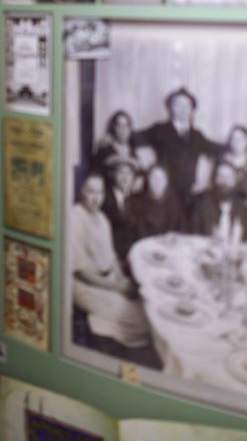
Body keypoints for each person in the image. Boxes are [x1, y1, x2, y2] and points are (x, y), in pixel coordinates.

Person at [68, 172, 151, 359]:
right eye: (91, 192)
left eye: (100, 193)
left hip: (109, 279)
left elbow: (112, 259)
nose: (96, 198)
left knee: (145, 306)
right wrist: (117, 287)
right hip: (85, 285)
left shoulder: (103, 219)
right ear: (82, 192)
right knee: (137, 319)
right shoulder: (74, 217)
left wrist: (122, 280)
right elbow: (80, 272)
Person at [133, 87, 221, 211]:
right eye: (178, 104)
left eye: (187, 105)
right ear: (170, 108)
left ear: (192, 110)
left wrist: (237, 143)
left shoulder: (197, 136)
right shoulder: (160, 130)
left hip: (189, 195)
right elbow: (132, 139)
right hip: (165, 194)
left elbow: (217, 149)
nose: (183, 109)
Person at [115, 164, 185, 262]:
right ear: (148, 180)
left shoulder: (174, 203)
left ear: (166, 181)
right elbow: (130, 233)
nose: (157, 182)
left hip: (166, 252)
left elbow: (180, 229)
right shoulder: (137, 201)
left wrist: (172, 237)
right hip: (143, 252)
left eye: (161, 178)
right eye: (154, 178)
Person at [186, 160, 247, 239]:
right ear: (215, 179)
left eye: (229, 177)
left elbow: (245, 237)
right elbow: (192, 233)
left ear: (234, 181)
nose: (224, 181)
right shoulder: (202, 201)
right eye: (221, 176)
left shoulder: (241, 206)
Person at [222, 124, 247, 201]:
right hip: (224, 206)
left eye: (240, 139)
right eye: (233, 139)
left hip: (245, 207)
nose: (236, 143)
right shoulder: (223, 162)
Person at [91, 110, 134, 175]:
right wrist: (129, 161)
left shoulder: (133, 146)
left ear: (130, 129)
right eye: (119, 126)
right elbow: (99, 167)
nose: (123, 129)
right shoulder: (105, 147)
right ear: (114, 128)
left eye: (126, 125)